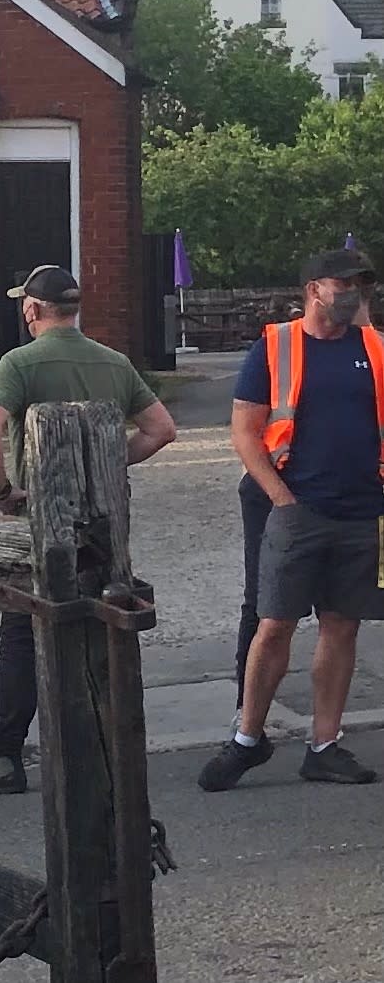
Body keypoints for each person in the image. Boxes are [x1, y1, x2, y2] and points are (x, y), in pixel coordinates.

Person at [0, 265, 177, 794]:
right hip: (106, 526)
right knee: (100, 625)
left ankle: (5, 755)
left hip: (41, 520)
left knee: (23, 632)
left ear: (32, 310)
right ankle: (103, 753)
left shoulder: (19, 363)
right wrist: (107, 465)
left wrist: (1, 492)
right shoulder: (114, 362)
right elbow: (162, 430)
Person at [199, 249, 384, 791]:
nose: (352, 292)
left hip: (362, 509)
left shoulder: (373, 348)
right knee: (274, 622)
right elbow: (244, 431)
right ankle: (248, 738)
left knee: (341, 624)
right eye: (342, 282)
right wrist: (281, 499)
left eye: (361, 284)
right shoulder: (276, 345)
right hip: (295, 507)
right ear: (313, 289)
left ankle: (324, 744)